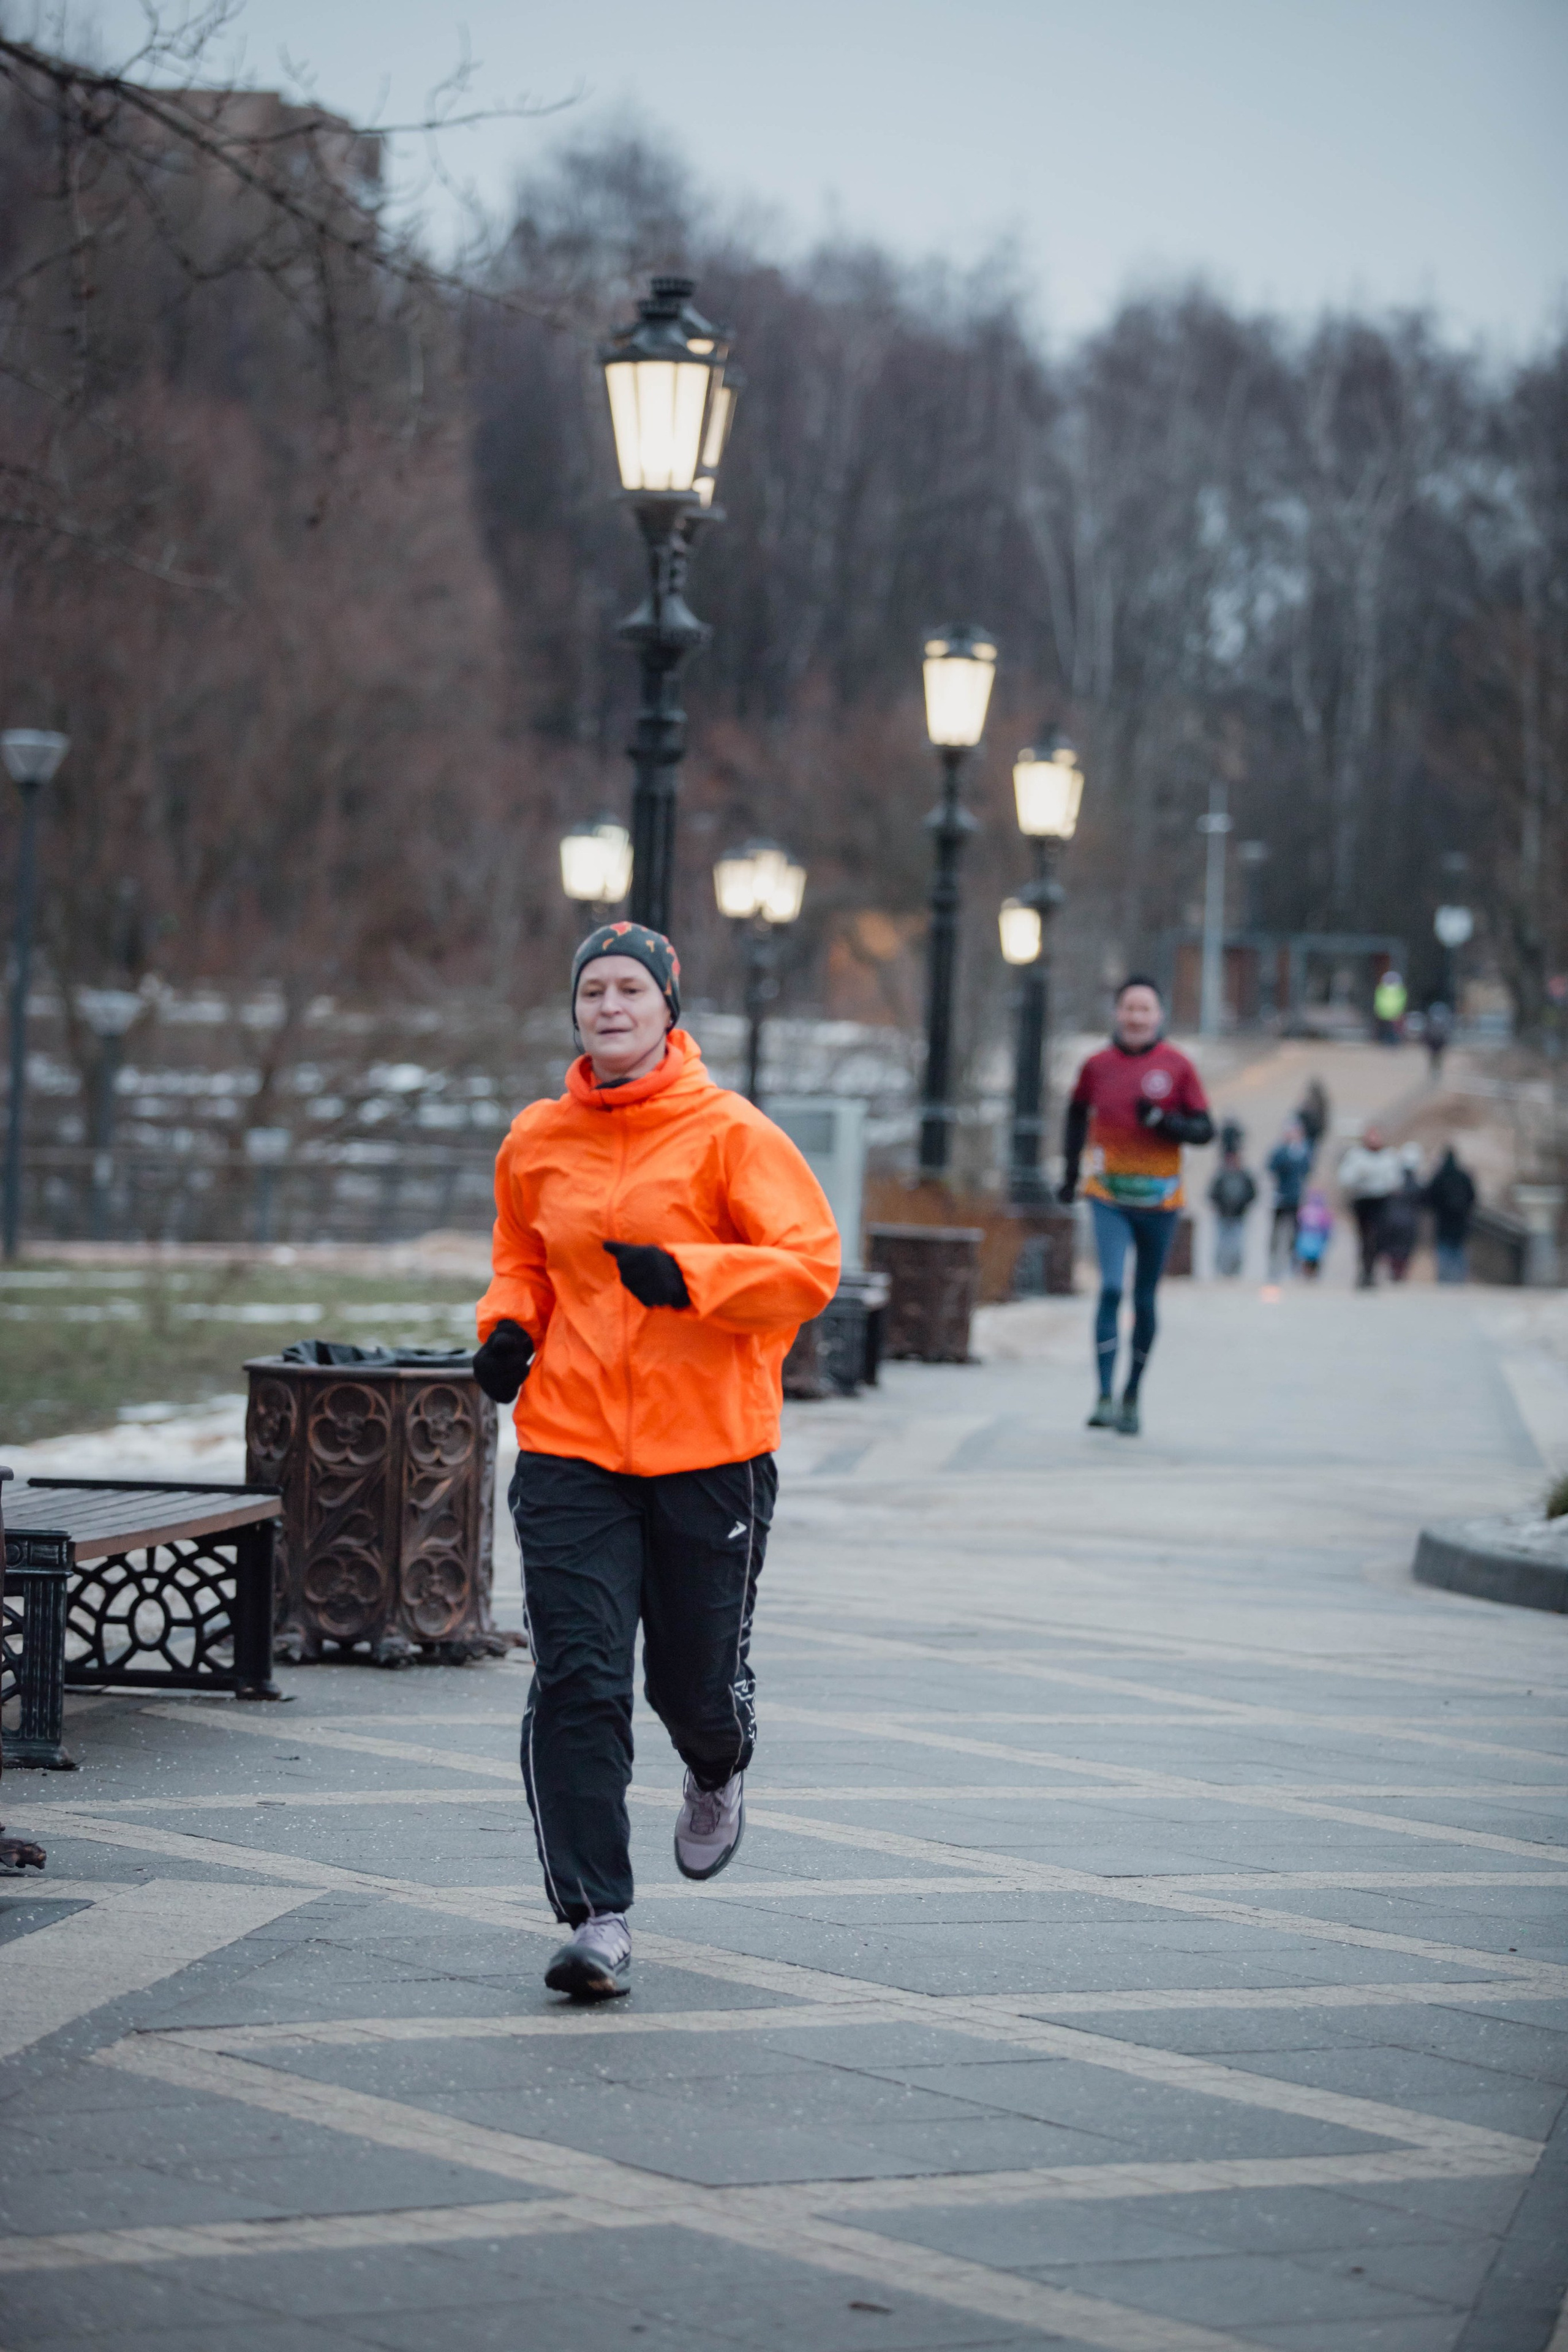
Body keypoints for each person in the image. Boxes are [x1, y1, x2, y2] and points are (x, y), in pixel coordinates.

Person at [473, 922, 839, 2001]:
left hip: (709, 1448)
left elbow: (808, 1266)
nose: (611, 1005)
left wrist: (690, 1275)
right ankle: (598, 1915)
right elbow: (521, 1258)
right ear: (575, 1012)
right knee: (580, 1676)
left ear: (669, 1008)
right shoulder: (538, 1138)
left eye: (632, 988)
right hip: (572, 1446)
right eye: (594, 990)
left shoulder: (731, 1134)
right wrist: (507, 1327)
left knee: (692, 1686)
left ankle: (717, 1761)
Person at [1059, 974, 1213, 1434]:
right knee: (1110, 1287)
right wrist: (1070, 1175)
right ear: (1117, 1013)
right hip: (1108, 1195)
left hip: (1161, 1200)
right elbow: (1074, 1114)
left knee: (1144, 1298)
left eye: (1145, 1009)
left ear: (1159, 1016)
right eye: (1129, 1008)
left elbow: (1205, 1131)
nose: (1136, 1016)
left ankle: (1132, 1395)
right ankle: (1103, 1395)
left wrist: (1164, 1122)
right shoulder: (1097, 1065)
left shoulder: (1179, 1067)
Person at [1337, 1123, 1403, 1289]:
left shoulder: (1389, 1156)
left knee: (1378, 1238)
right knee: (1365, 1238)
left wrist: (1382, 1178)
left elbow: (1396, 1180)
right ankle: (1365, 1272)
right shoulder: (1356, 1155)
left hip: (1381, 1201)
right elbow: (1345, 1178)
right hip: (1363, 1200)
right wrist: (1361, 1173)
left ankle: (1373, 1271)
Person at [1266, 1118, 1313, 1278]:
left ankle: (1294, 1265)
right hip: (1281, 1197)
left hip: (1296, 1198)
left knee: (1296, 1234)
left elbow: (1307, 1170)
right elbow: (1271, 1167)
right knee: (1276, 1234)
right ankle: (1274, 1265)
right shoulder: (1281, 1150)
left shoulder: (1303, 1151)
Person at [1423, 1145, 1477, 1282]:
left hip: (1443, 1221)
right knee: (1458, 1250)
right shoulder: (1464, 1177)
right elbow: (1473, 1197)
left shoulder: (1440, 1176)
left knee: (1444, 1249)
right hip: (1461, 1221)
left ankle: (1444, 1280)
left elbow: (1429, 1198)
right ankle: (1459, 1280)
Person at [1208, 1134, 1256, 1276]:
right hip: (1223, 1214)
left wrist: (1245, 1205)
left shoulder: (1245, 1175)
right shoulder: (1221, 1175)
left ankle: (1234, 1271)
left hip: (1239, 1215)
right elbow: (1212, 1193)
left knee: (1237, 1246)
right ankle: (1221, 1271)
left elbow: (1253, 1193)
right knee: (1221, 1245)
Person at [1378, 1150, 1423, 1282]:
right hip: (1408, 1221)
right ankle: (1399, 1272)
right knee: (1404, 1249)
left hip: (1393, 1220)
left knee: (1394, 1248)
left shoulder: (1395, 1182)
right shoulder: (1415, 1184)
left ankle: (1396, 1272)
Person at [1294, 1187, 1333, 1278]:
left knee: (1306, 1257)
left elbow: (1298, 1225)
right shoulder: (1324, 1212)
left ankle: (1307, 1272)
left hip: (1306, 1238)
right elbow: (1327, 1227)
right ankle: (1312, 1273)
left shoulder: (1305, 1210)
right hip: (1317, 1239)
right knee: (1316, 1258)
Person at [1296, 1079, 1330, 1158]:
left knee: (1309, 1152)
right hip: (1314, 1132)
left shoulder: (1313, 1104)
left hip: (1311, 1132)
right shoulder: (1320, 1102)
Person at [1373, 969, 1408, 1044]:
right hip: (1384, 1014)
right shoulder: (1381, 989)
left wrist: (1398, 1012)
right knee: (1385, 1030)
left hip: (1395, 1014)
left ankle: (1394, 1043)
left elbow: (1401, 1002)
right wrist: (1380, 1010)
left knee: (1395, 1030)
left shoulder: (1400, 990)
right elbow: (1379, 1001)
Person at [1425, 1000, 1453, 1082]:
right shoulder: (1433, 1019)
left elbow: (1447, 1031)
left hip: (1439, 1040)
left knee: (1438, 1057)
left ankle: (1436, 1071)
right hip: (1434, 1040)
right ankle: (1434, 1071)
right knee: (1435, 1057)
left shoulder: (1442, 1019)